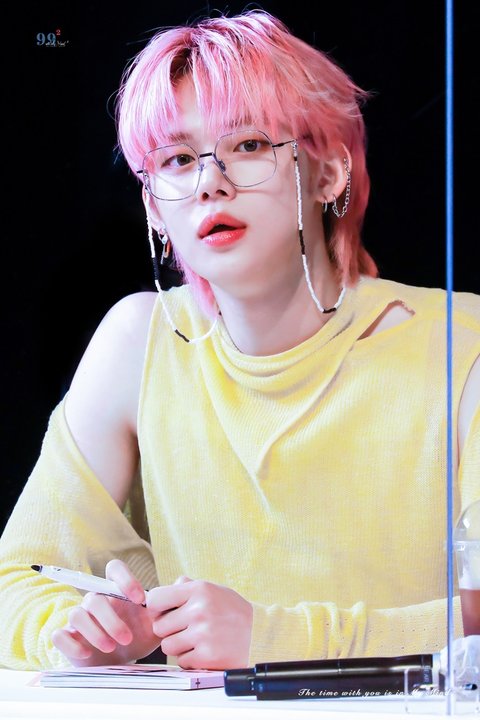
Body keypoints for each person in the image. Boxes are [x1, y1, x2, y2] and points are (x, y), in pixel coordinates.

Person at [0, 9, 479, 672]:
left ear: (329, 173)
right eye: (177, 159)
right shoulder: (139, 343)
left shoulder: (462, 348)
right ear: (153, 207)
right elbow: (15, 582)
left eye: (249, 144)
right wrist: (79, 633)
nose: (210, 182)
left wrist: (274, 639)